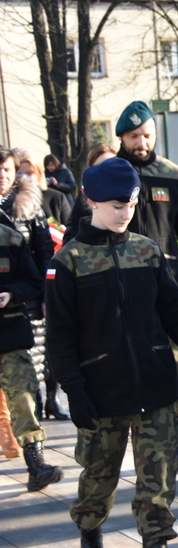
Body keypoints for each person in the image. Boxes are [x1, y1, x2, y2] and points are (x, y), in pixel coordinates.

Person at [46, 158, 178, 548]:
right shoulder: (70, 262)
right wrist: (75, 391)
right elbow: (60, 337)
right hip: (101, 391)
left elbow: (172, 314)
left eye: (132, 203)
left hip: (155, 384)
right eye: (118, 204)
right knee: (97, 477)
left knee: (157, 480)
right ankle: (90, 540)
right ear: (91, 201)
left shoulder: (146, 251)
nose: (126, 212)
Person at [115, 100, 178, 473]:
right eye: (133, 136)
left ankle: (173, 439)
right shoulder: (111, 175)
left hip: (166, 288)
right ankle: (130, 436)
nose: (141, 141)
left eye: (146, 135)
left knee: (176, 362)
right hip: (120, 290)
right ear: (121, 137)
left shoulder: (172, 175)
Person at [0, 163, 60, 490]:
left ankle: (35, 464)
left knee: (22, 397)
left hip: (8, 332)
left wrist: (11, 294)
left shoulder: (9, 237)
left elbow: (32, 281)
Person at [11, 148, 71, 421]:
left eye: (27, 171)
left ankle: (50, 399)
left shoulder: (50, 199)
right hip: (15, 288)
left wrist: (49, 292)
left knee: (45, 349)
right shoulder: (9, 203)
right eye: (18, 171)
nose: (23, 176)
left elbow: (50, 246)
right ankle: (29, 407)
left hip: (37, 288)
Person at [65, 143, 117, 242]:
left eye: (111, 163)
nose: (107, 170)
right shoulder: (85, 197)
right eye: (100, 165)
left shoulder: (130, 193)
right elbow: (73, 233)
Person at [15, 149, 71, 229]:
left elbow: (71, 233)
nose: (23, 178)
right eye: (18, 174)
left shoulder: (56, 198)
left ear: (39, 173)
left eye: (28, 173)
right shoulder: (5, 203)